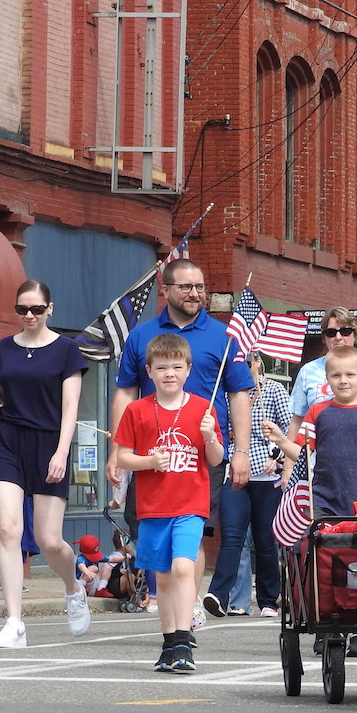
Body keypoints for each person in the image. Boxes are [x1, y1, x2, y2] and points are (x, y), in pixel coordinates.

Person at [106, 259, 253, 633]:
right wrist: (117, 454)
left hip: (203, 449)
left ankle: (189, 607)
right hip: (152, 452)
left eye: (200, 287)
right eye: (186, 287)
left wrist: (239, 451)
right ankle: (169, 605)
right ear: (166, 290)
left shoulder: (223, 337)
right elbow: (125, 391)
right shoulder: (142, 336)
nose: (195, 294)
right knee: (151, 531)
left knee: (194, 530)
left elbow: (239, 395)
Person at [265, 345, 357, 658]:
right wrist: (283, 442)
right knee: (321, 561)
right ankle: (327, 626)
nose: (344, 380)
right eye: (336, 375)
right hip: (322, 498)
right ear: (327, 379)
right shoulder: (317, 412)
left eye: (350, 374)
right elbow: (302, 456)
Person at [0, 280, 90, 648]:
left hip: (49, 442)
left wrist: (62, 452)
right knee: (9, 530)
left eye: (36, 309)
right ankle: (14, 622)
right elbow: (4, 396)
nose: (29, 316)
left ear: (50, 309)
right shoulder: (3, 349)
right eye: (22, 310)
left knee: (49, 540)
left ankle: (74, 589)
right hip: (7, 440)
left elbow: (71, 408)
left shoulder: (66, 350)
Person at [115, 333, 224, 673]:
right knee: (161, 578)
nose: (169, 374)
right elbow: (122, 457)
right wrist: (149, 462)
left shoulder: (202, 409)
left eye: (177, 367)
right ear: (149, 371)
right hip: (152, 508)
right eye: (162, 368)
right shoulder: (137, 410)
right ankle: (169, 645)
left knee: (182, 568)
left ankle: (182, 640)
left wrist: (209, 436)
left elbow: (217, 459)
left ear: (188, 370)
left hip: (190, 504)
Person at [203, 352, 291, 621]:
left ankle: (268, 599)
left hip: (267, 477)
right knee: (232, 536)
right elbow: (218, 431)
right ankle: (218, 594)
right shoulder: (227, 394)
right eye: (238, 364)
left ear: (257, 362)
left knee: (266, 541)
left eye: (248, 362)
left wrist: (276, 457)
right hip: (235, 472)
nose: (244, 367)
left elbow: (291, 432)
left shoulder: (274, 390)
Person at [288, 306, 357, 438]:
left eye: (345, 331)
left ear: (354, 334)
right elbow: (297, 421)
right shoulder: (307, 371)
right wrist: (288, 457)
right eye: (331, 332)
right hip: (319, 454)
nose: (338, 337)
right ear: (324, 337)